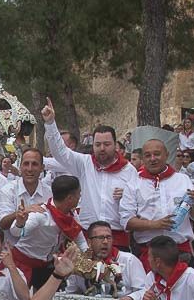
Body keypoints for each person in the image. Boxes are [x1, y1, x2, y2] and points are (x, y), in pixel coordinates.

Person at [41, 98, 137, 251]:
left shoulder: (129, 170)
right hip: (88, 237)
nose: (102, 148)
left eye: (107, 144)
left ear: (115, 145)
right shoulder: (85, 164)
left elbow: (139, 201)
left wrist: (128, 194)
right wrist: (51, 123)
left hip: (117, 238)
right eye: (98, 144)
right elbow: (60, 152)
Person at [121, 137, 194, 270]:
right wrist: (155, 224)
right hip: (149, 254)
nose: (152, 158)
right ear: (143, 159)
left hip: (181, 252)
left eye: (157, 154)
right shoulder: (133, 183)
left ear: (167, 155)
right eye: (147, 155)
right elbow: (127, 221)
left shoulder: (183, 180)